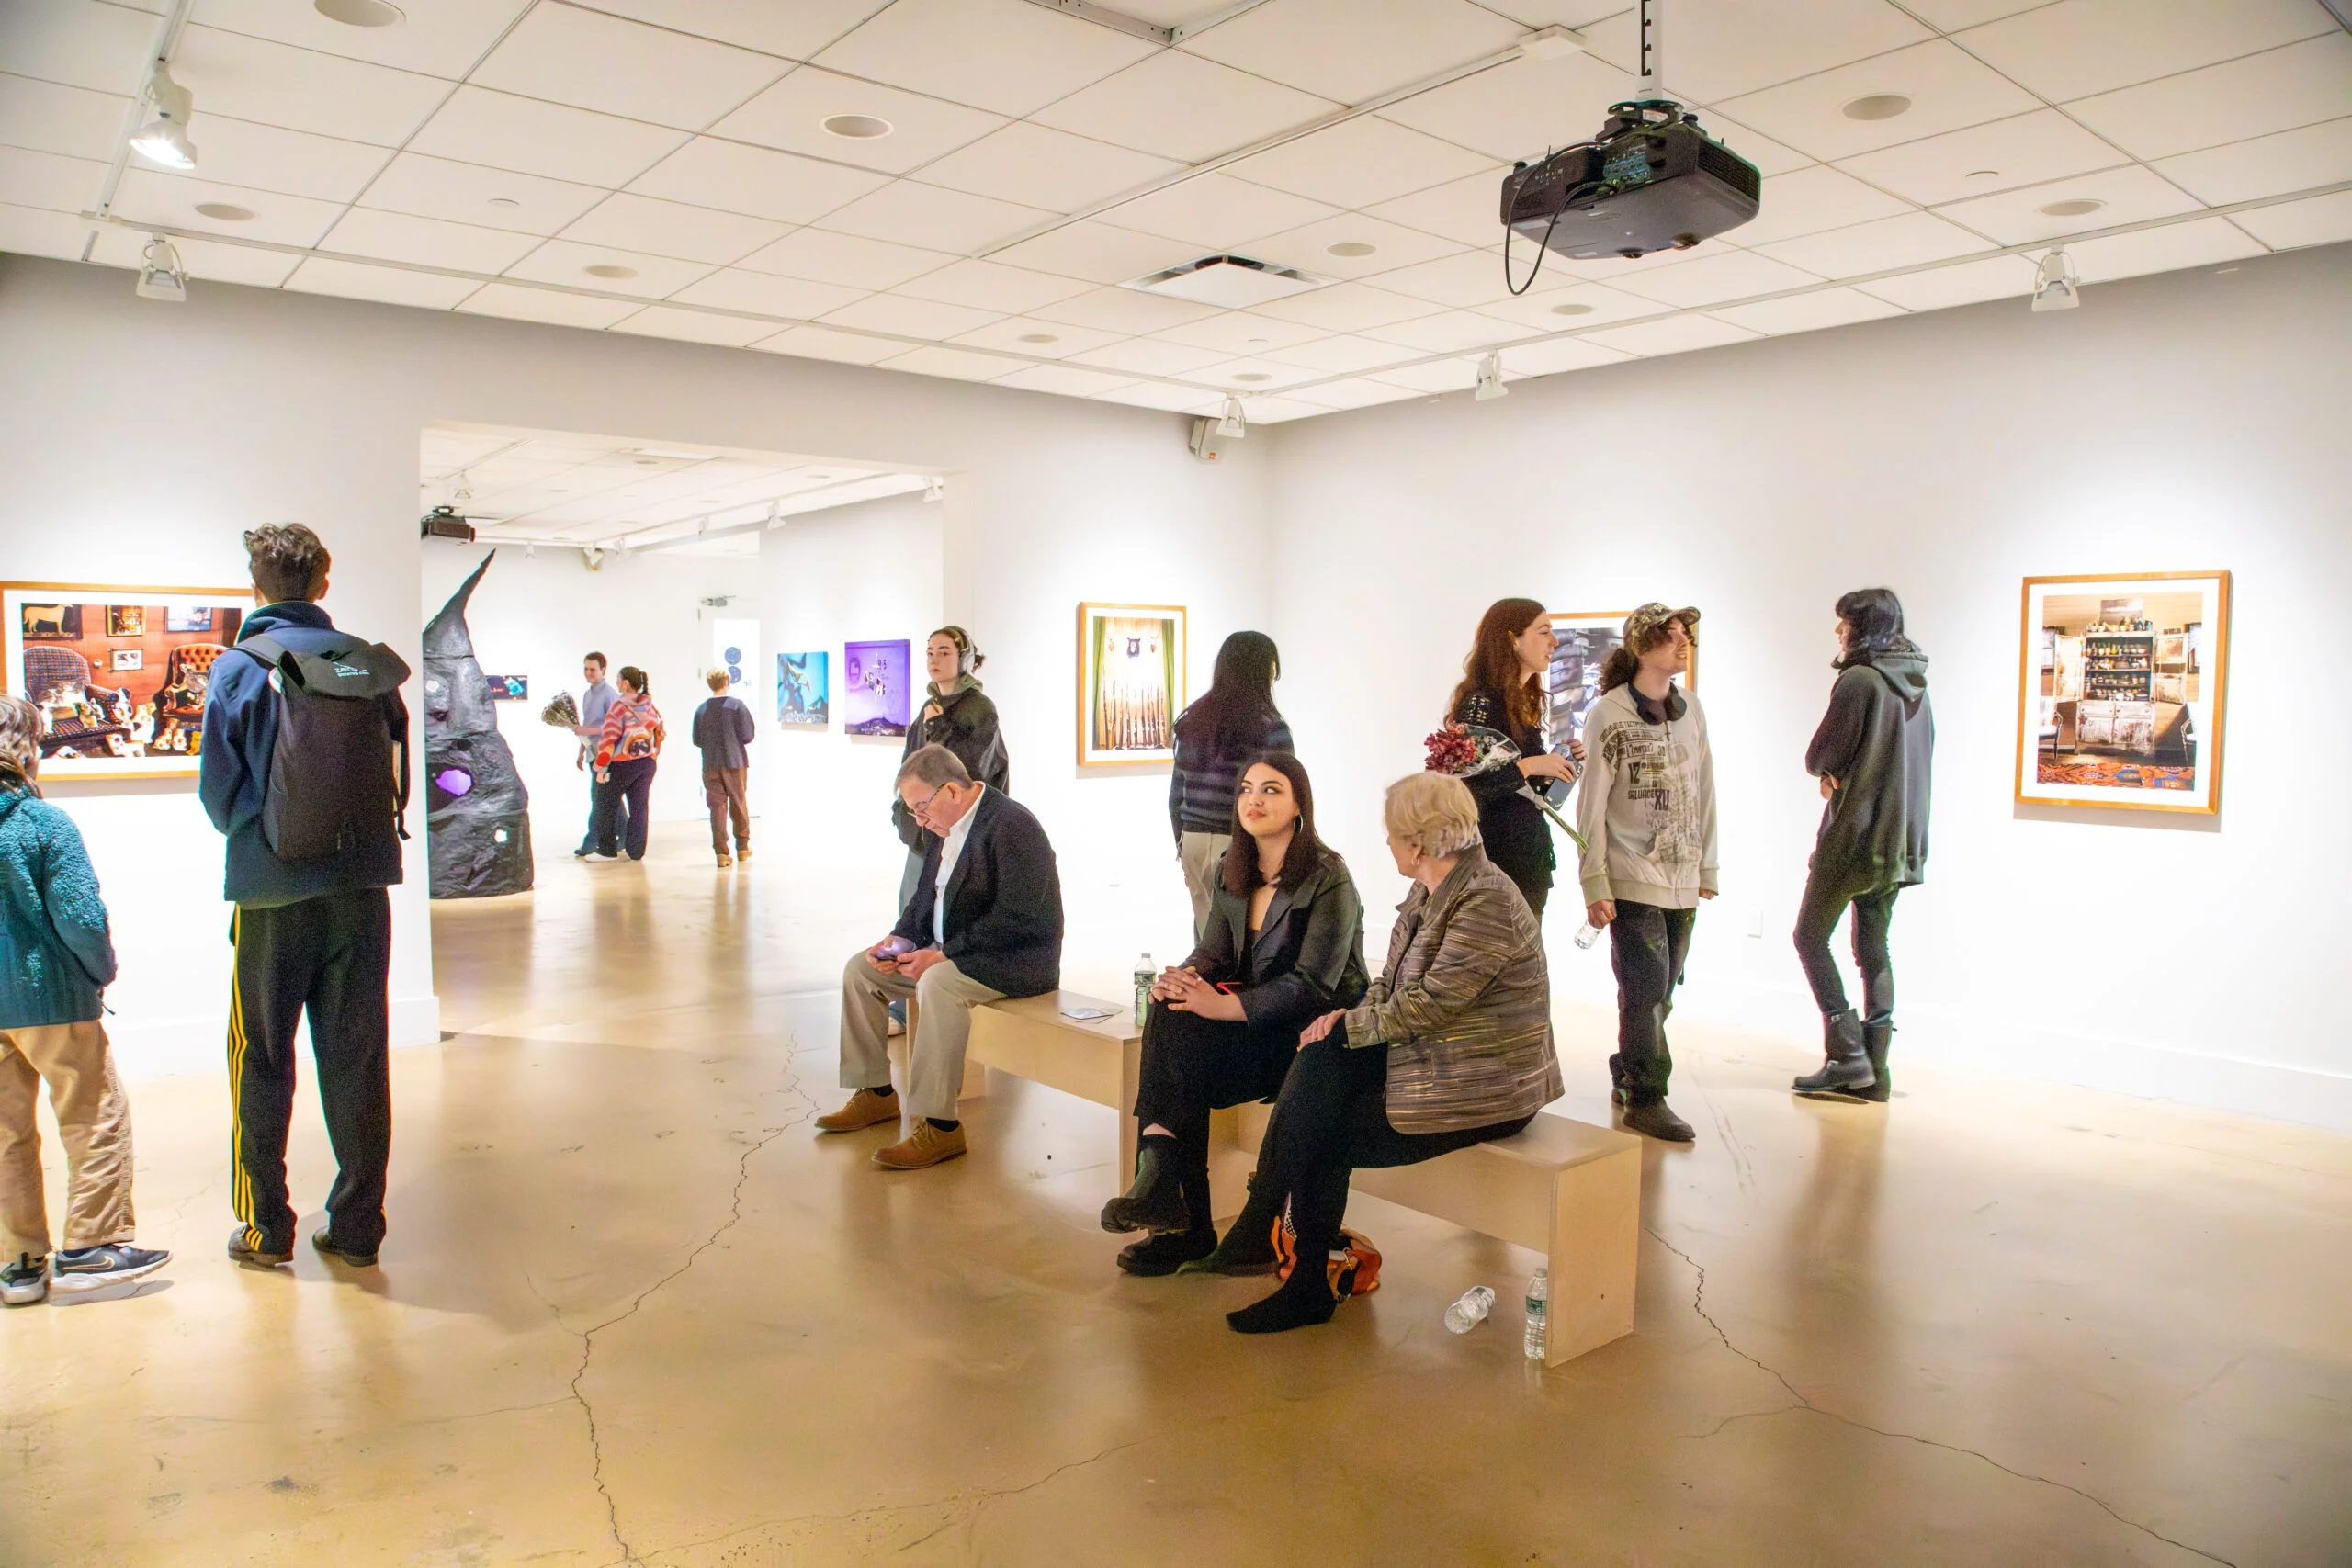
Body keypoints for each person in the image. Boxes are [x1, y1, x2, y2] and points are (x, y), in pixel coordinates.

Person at [1205, 773, 1560, 1334]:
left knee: (1327, 1119)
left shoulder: (1486, 899)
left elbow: (1428, 1006)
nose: (1388, 845)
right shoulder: (1430, 889)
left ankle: (1277, 1245)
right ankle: (1283, 1254)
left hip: (1489, 1084)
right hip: (1429, 1060)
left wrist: (1349, 1026)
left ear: (1418, 844)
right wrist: (1345, 1018)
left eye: (1393, 835)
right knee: (1324, 1058)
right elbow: (1388, 981)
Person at [199, 523, 410, 1269]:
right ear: (324, 583)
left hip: (269, 895)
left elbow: (219, 797)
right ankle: (356, 1228)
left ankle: (267, 1227)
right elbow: (395, 774)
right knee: (358, 1057)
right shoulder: (367, 665)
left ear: (254, 585)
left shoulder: (235, 669)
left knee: (260, 1059)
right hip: (362, 892)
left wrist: (264, 837)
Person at [1100, 755, 1368, 1275]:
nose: (1255, 800)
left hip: (1307, 1038)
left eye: (1271, 790)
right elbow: (1214, 952)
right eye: (1246, 789)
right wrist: (1186, 976)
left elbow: (1315, 986)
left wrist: (1222, 1004)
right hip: (1253, 1028)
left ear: (1298, 807)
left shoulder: (1328, 877)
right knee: (1170, 1011)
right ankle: (1167, 1197)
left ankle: (1177, 1213)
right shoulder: (1231, 865)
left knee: (1181, 1053)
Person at [0, 696, 170, 1305]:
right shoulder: (43, 824)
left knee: (5, 1134)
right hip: (50, 998)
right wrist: (100, 972)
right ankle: (91, 1246)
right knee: (94, 1115)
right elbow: (79, 916)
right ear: (27, 747)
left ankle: (18, 1262)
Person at [820, 745, 1062, 1170]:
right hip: (954, 953)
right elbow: (924, 897)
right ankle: (875, 1093)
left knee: (938, 983)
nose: (918, 820)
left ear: (951, 790)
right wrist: (898, 939)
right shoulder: (944, 825)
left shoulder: (1013, 827)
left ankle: (940, 1126)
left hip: (1013, 961)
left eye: (919, 807)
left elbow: (1018, 917)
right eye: (910, 809)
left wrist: (945, 955)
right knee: (860, 970)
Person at [1575, 604, 1716, 1144]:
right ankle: (1648, 1097)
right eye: (1671, 636)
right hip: (1630, 873)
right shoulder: (1608, 714)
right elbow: (1591, 806)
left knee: (1664, 987)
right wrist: (1594, 882)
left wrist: (1709, 864)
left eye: (1686, 636)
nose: (1684, 644)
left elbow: (1705, 790)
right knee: (1643, 986)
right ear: (1641, 647)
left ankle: (1627, 1066)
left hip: (1682, 876)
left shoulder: (1692, 711)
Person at [1791, 589, 1933, 1102]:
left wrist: (1830, 777)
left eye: (1843, 622)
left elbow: (1819, 755)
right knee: (1873, 947)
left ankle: (1847, 1056)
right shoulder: (1915, 684)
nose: (1838, 632)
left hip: (1855, 837)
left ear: (1862, 627)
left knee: (1809, 937)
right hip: (1899, 840)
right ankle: (1876, 1069)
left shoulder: (1859, 680)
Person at [1448, 599, 1580, 921]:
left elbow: (1525, 789)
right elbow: (1467, 786)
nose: (1554, 642)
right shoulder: (1479, 703)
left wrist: (1560, 763)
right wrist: (1534, 765)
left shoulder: (1521, 703)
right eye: (1544, 631)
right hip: (1496, 862)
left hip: (1526, 859)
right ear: (1513, 639)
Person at [1169, 632, 1292, 935]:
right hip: (1241, 841)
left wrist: (1182, 842)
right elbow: (1281, 797)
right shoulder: (1269, 726)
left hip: (1194, 838)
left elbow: (1175, 793)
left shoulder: (1194, 720)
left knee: (1207, 937)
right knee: (1245, 938)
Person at [891, 626, 1007, 910]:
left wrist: (939, 728)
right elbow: (910, 765)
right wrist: (901, 811)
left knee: (951, 910)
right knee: (912, 908)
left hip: (960, 830)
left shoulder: (980, 709)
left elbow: (968, 773)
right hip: (923, 828)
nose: (935, 660)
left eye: (944, 653)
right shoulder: (928, 708)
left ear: (965, 659)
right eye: (930, 653)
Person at [590, 666, 663, 862]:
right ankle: (636, 851)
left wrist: (600, 768)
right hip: (646, 762)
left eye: (618, 679)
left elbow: (609, 739)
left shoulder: (619, 707)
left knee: (605, 804)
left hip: (623, 763)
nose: (616, 682)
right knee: (639, 807)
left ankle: (606, 850)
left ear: (625, 683)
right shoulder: (649, 705)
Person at [692, 668, 756, 867]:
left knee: (717, 809)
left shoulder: (702, 709)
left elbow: (697, 739)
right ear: (727, 682)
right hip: (735, 762)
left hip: (710, 763)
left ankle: (721, 853)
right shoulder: (736, 706)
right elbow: (748, 735)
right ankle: (743, 848)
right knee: (738, 803)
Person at [571, 652, 617, 859]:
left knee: (599, 798)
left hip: (606, 756)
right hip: (593, 754)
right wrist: (582, 752)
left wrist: (586, 732)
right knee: (607, 799)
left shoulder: (609, 695)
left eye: (592, 669)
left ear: (603, 671)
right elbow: (587, 726)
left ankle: (591, 841)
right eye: (586, 669)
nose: (588, 673)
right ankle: (623, 836)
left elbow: (612, 728)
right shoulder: (587, 695)